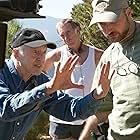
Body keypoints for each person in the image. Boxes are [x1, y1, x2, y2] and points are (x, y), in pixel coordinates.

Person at [0, 28, 113, 140]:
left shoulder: (41, 80)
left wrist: (97, 95)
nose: (41, 58)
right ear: (16, 54)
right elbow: (6, 109)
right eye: (35, 52)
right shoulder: (2, 73)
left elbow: (70, 110)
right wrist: (47, 89)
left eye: (44, 52)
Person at [43, 19, 112, 140]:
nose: (66, 38)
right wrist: (52, 87)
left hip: (87, 115)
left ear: (78, 30)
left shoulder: (96, 54)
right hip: (61, 117)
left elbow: (111, 78)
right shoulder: (57, 55)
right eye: (62, 35)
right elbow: (38, 74)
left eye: (68, 32)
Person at [90, 0, 140, 139]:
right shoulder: (108, 56)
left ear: (128, 13)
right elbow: (101, 107)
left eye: (112, 21)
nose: (107, 30)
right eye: (101, 24)